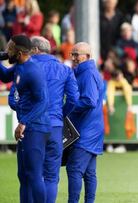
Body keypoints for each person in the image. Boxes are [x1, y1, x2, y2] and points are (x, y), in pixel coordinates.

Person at [0, 34, 50, 203]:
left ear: (20, 53)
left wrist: (24, 122)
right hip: (27, 126)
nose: (7, 51)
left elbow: (43, 102)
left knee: (34, 175)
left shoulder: (33, 70)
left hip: (36, 127)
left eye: (10, 48)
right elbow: (5, 76)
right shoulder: (20, 67)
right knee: (23, 175)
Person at [31, 36, 79, 203]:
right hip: (55, 127)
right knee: (52, 175)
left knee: (33, 174)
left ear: (35, 50)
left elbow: (15, 98)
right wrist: (61, 114)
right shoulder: (64, 70)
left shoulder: (27, 67)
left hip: (33, 126)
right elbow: (73, 98)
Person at [66, 42, 105, 203]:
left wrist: (67, 108)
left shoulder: (88, 73)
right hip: (91, 128)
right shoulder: (85, 72)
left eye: (77, 54)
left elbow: (89, 101)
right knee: (89, 173)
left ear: (87, 57)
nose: (74, 58)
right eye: (72, 54)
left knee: (74, 168)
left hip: (86, 130)